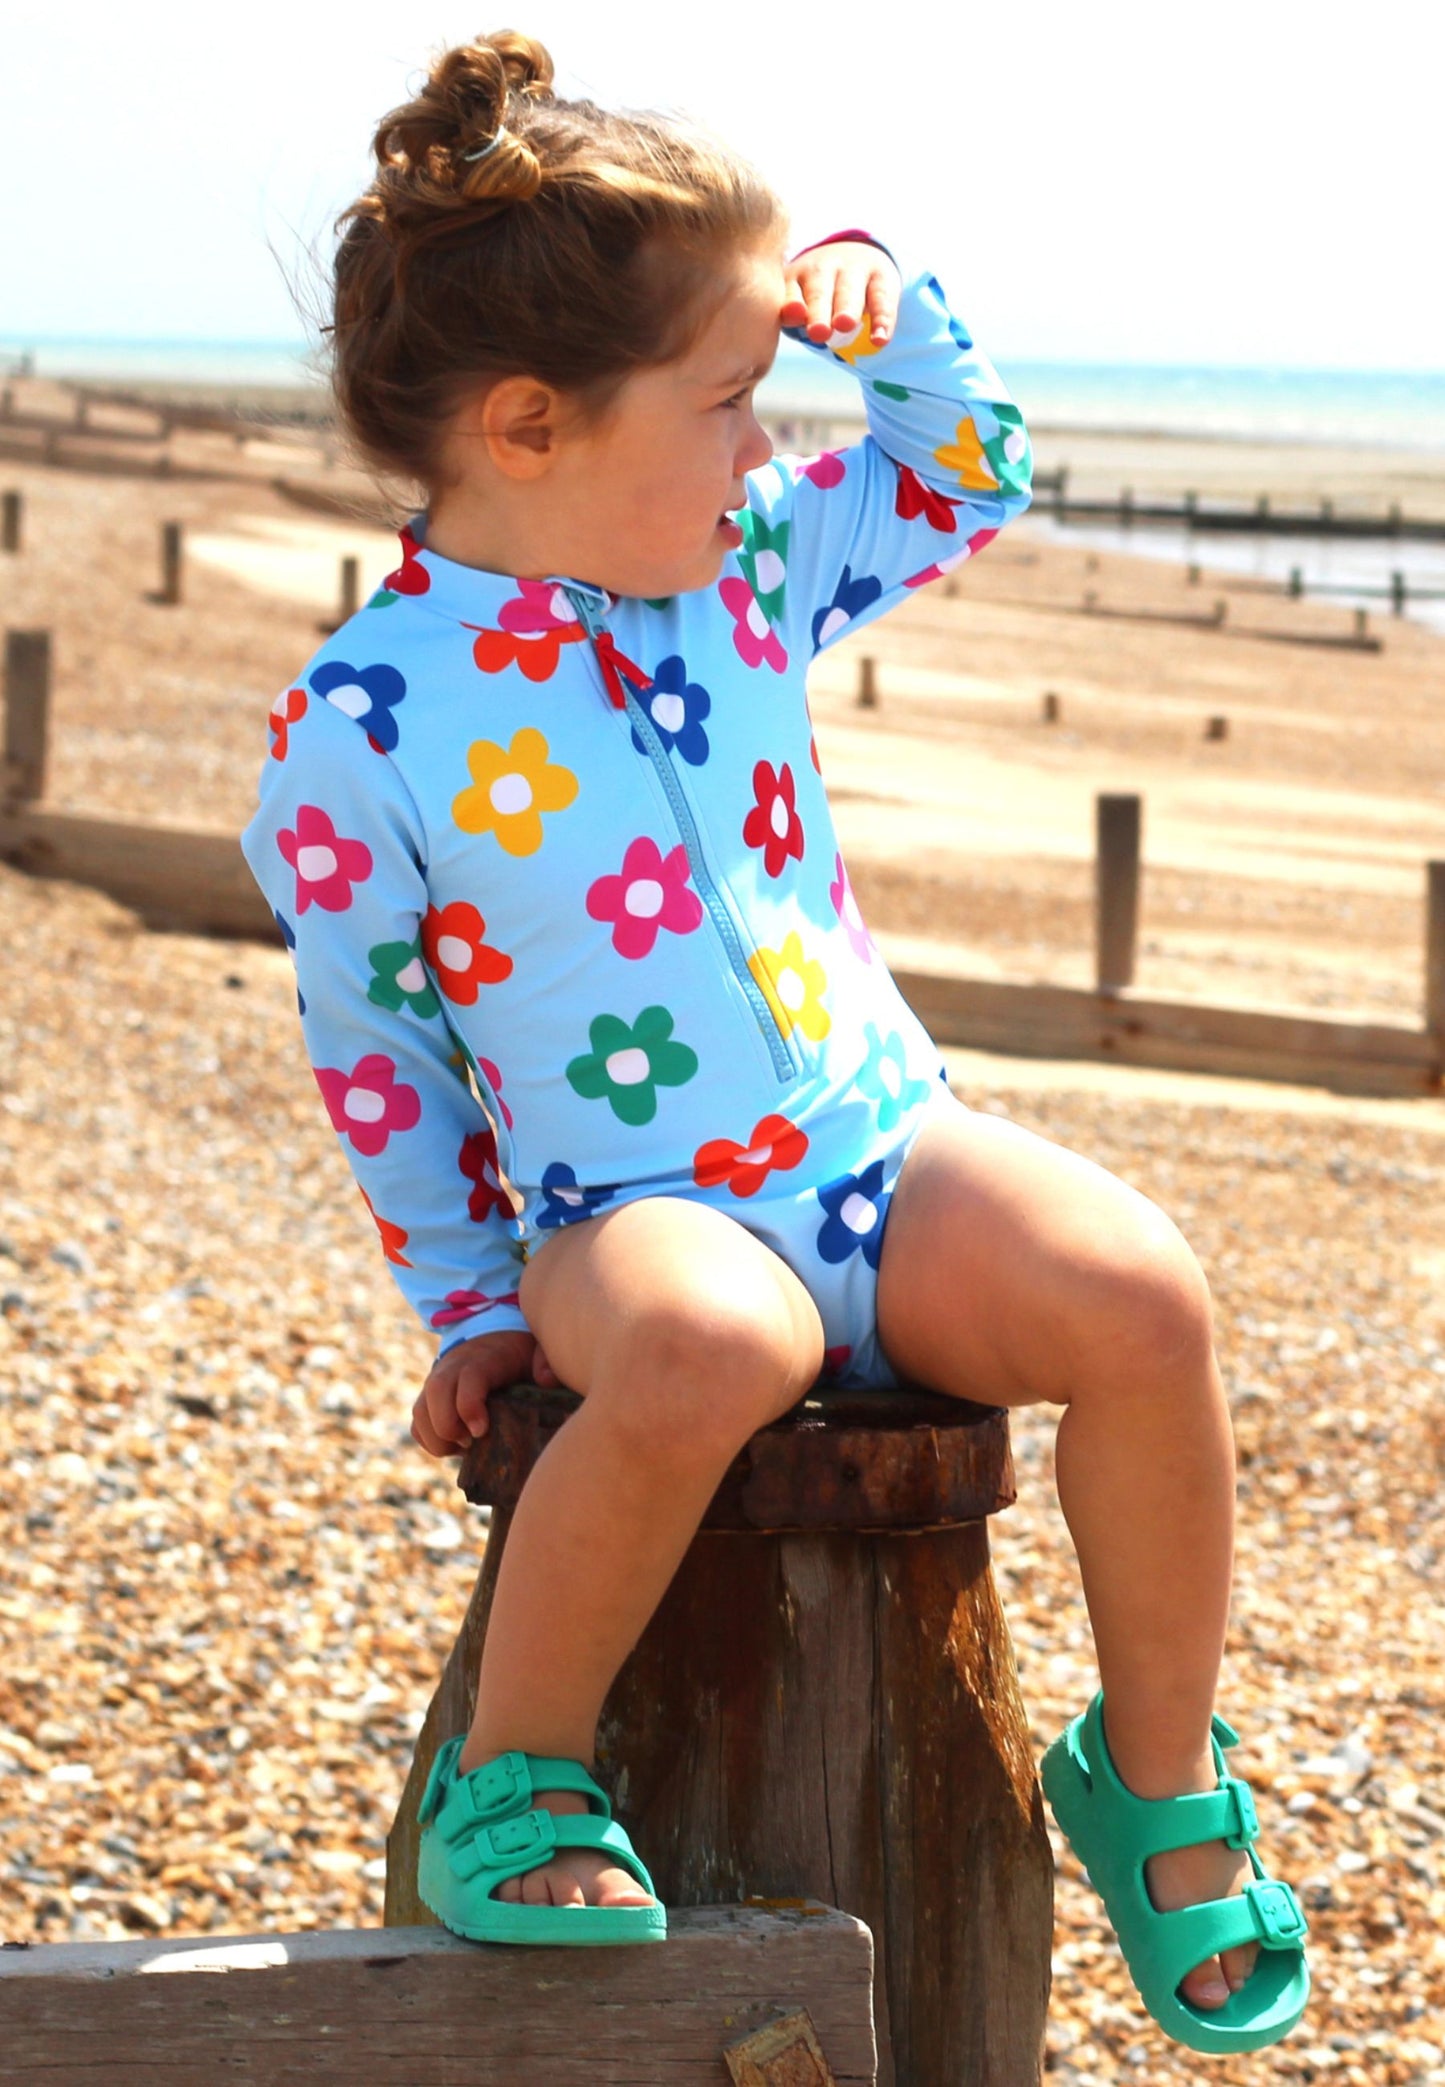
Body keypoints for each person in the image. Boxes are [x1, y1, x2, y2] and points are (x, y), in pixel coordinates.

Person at [241, 27, 1308, 2054]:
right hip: (621, 1210)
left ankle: (1153, 1773)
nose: (765, 450)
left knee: (1145, 1298)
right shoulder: (369, 721)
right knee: (720, 1348)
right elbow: (375, 1039)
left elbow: (965, 471)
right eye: (734, 403)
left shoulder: (743, 566)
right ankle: (517, 1767)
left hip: (876, 1155)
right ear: (529, 424)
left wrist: (895, 324)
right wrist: (470, 1304)